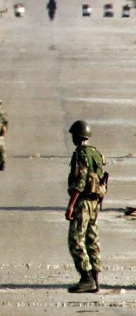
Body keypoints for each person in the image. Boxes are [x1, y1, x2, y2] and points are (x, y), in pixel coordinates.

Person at [65, 120, 107, 293]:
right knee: (92, 238)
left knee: (75, 239)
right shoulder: (96, 153)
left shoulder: (81, 153)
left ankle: (86, 277)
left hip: (83, 202)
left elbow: (80, 182)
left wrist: (71, 205)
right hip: (95, 202)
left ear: (78, 136)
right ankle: (95, 277)